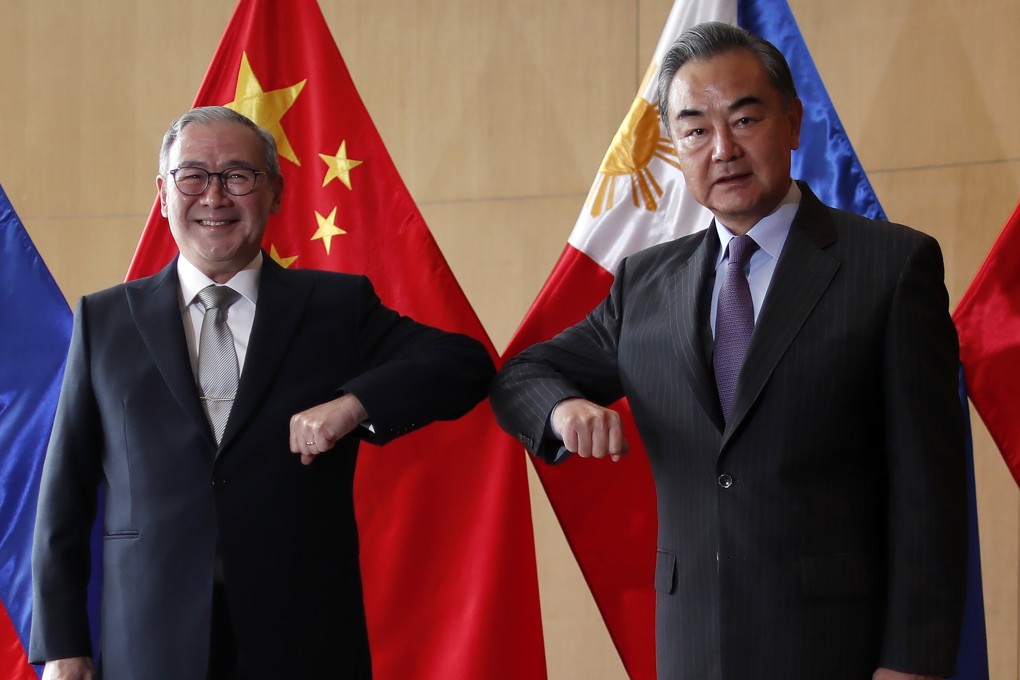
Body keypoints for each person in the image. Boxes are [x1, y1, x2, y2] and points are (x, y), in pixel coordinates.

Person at [490, 22, 966, 680]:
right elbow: (522, 375)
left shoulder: (890, 268)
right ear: (675, 148)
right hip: (692, 648)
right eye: (695, 130)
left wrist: (913, 664)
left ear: (793, 122)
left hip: (837, 651)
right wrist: (563, 409)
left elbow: (930, 496)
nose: (722, 150)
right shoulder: (645, 284)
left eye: (745, 119)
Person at [30, 106, 495, 680]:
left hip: (302, 638)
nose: (214, 196)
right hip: (150, 640)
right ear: (163, 193)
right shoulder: (105, 320)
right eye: (193, 175)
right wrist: (62, 648)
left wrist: (352, 405)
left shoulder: (334, 307)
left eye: (238, 176)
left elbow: (466, 364)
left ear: (274, 192)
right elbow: (62, 500)